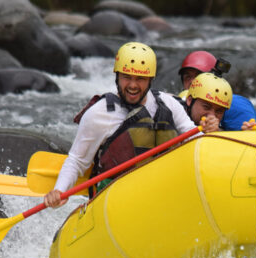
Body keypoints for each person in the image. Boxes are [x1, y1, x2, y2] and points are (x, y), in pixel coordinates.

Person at [44, 42, 215, 207]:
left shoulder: (168, 104)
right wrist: (59, 190)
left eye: (140, 79)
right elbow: (77, 161)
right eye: (127, 77)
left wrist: (211, 132)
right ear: (117, 76)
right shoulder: (99, 114)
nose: (133, 85)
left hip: (163, 194)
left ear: (150, 80)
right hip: (116, 200)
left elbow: (195, 139)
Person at [178, 50, 256, 131]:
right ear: (189, 99)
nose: (192, 81)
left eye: (198, 75)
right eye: (187, 77)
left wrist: (248, 134)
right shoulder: (176, 104)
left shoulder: (236, 105)